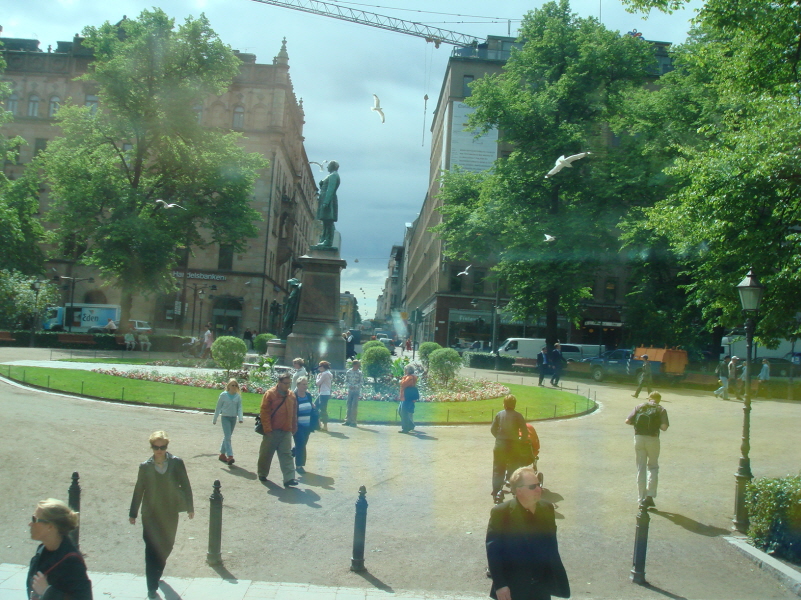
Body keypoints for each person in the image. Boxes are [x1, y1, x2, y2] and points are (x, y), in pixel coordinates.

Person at [486, 466, 570, 600]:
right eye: (532, 487)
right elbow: (493, 551)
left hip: (541, 586)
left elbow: (551, 545)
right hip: (514, 587)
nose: (539, 489)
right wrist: (500, 585)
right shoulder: (502, 513)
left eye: (539, 485)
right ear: (519, 490)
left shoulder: (547, 508)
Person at [129, 431, 194, 599]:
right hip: (150, 513)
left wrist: (190, 507)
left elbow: (185, 484)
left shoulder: (176, 463)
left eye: (162, 447)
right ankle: (151, 586)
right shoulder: (145, 466)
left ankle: (156, 573)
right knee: (151, 549)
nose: (159, 450)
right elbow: (139, 489)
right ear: (151, 447)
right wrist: (133, 513)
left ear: (167, 446)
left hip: (170, 512)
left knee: (167, 545)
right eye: (156, 447)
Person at [27, 498, 93, 600]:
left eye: (34, 519)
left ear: (50, 526)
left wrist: (47, 591)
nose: (30, 524)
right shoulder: (42, 550)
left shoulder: (72, 561)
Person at [625, 391, 669, 508]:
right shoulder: (661, 409)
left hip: (639, 437)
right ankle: (650, 496)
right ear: (659, 400)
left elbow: (627, 421)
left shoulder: (640, 406)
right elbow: (664, 427)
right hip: (653, 439)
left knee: (641, 468)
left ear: (649, 398)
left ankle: (641, 499)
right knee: (653, 466)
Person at [257, 372, 298, 487]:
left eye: (289, 383)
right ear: (279, 382)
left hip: (286, 430)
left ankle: (289, 478)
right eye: (285, 383)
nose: (287, 385)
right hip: (272, 430)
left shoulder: (291, 396)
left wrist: (293, 427)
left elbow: (294, 413)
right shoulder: (270, 394)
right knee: (266, 453)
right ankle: (262, 473)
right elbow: (264, 412)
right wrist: (267, 429)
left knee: (286, 454)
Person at [490, 395, 529, 500]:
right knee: (514, 468)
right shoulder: (518, 416)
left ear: (504, 404)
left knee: (498, 469)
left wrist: (499, 438)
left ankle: (496, 492)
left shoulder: (499, 414)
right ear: (514, 405)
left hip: (500, 445)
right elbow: (525, 432)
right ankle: (515, 491)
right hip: (513, 445)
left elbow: (493, 429)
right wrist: (521, 441)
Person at [213, 379, 244, 466]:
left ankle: (222, 454)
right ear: (229, 386)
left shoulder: (237, 397)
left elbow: (239, 407)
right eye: (232, 385)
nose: (234, 387)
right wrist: (215, 419)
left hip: (233, 418)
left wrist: (240, 418)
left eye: (235, 385)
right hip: (225, 418)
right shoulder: (223, 395)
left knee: (228, 436)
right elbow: (218, 407)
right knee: (228, 437)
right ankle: (230, 455)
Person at [293, 376, 315, 474]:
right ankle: (299, 465)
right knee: (301, 444)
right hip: (297, 425)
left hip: (307, 425)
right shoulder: (293, 396)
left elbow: (311, 405)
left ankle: (292, 451)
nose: (305, 386)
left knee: (302, 444)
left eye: (306, 384)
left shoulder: (308, 395)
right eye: (303, 384)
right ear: (298, 385)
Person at [315, 160, 340, 247]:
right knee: (325, 221)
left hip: (329, 200)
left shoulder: (334, 175)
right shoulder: (331, 175)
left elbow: (331, 189)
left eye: (328, 165)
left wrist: (326, 202)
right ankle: (323, 239)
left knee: (328, 221)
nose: (327, 167)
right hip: (325, 199)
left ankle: (328, 241)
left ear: (333, 166)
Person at [398, 364, 418, 433]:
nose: (404, 371)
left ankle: (406, 428)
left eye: (405, 370)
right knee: (401, 411)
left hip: (406, 397)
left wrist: (400, 381)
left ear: (408, 370)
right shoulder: (411, 377)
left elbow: (403, 384)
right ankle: (410, 425)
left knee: (403, 412)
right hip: (405, 396)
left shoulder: (409, 377)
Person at [344, 359, 364, 426]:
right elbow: (346, 381)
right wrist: (349, 385)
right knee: (349, 405)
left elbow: (361, 382)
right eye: (356, 366)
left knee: (354, 406)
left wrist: (355, 386)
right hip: (350, 391)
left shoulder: (360, 373)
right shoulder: (348, 372)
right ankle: (347, 420)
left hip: (356, 391)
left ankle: (353, 421)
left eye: (358, 366)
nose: (357, 367)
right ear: (353, 365)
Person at [315, 361, 333, 432]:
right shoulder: (328, 373)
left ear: (323, 367)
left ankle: (325, 426)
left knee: (323, 409)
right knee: (315, 406)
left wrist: (317, 376)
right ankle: (319, 424)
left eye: (320, 366)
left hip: (324, 393)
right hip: (324, 393)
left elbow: (318, 383)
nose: (319, 368)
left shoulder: (325, 374)